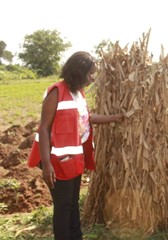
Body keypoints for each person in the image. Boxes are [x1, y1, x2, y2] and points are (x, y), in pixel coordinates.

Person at [27, 51, 124, 240]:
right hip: (56, 162)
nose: (91, 79)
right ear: (78, 72)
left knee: (72, 204)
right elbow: (44, 129)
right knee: (63, 207)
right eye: (89, 74)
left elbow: (86, 119)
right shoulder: (56, 92)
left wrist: (114, 118)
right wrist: (46, 165)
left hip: (74, 160)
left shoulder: (78, 94)